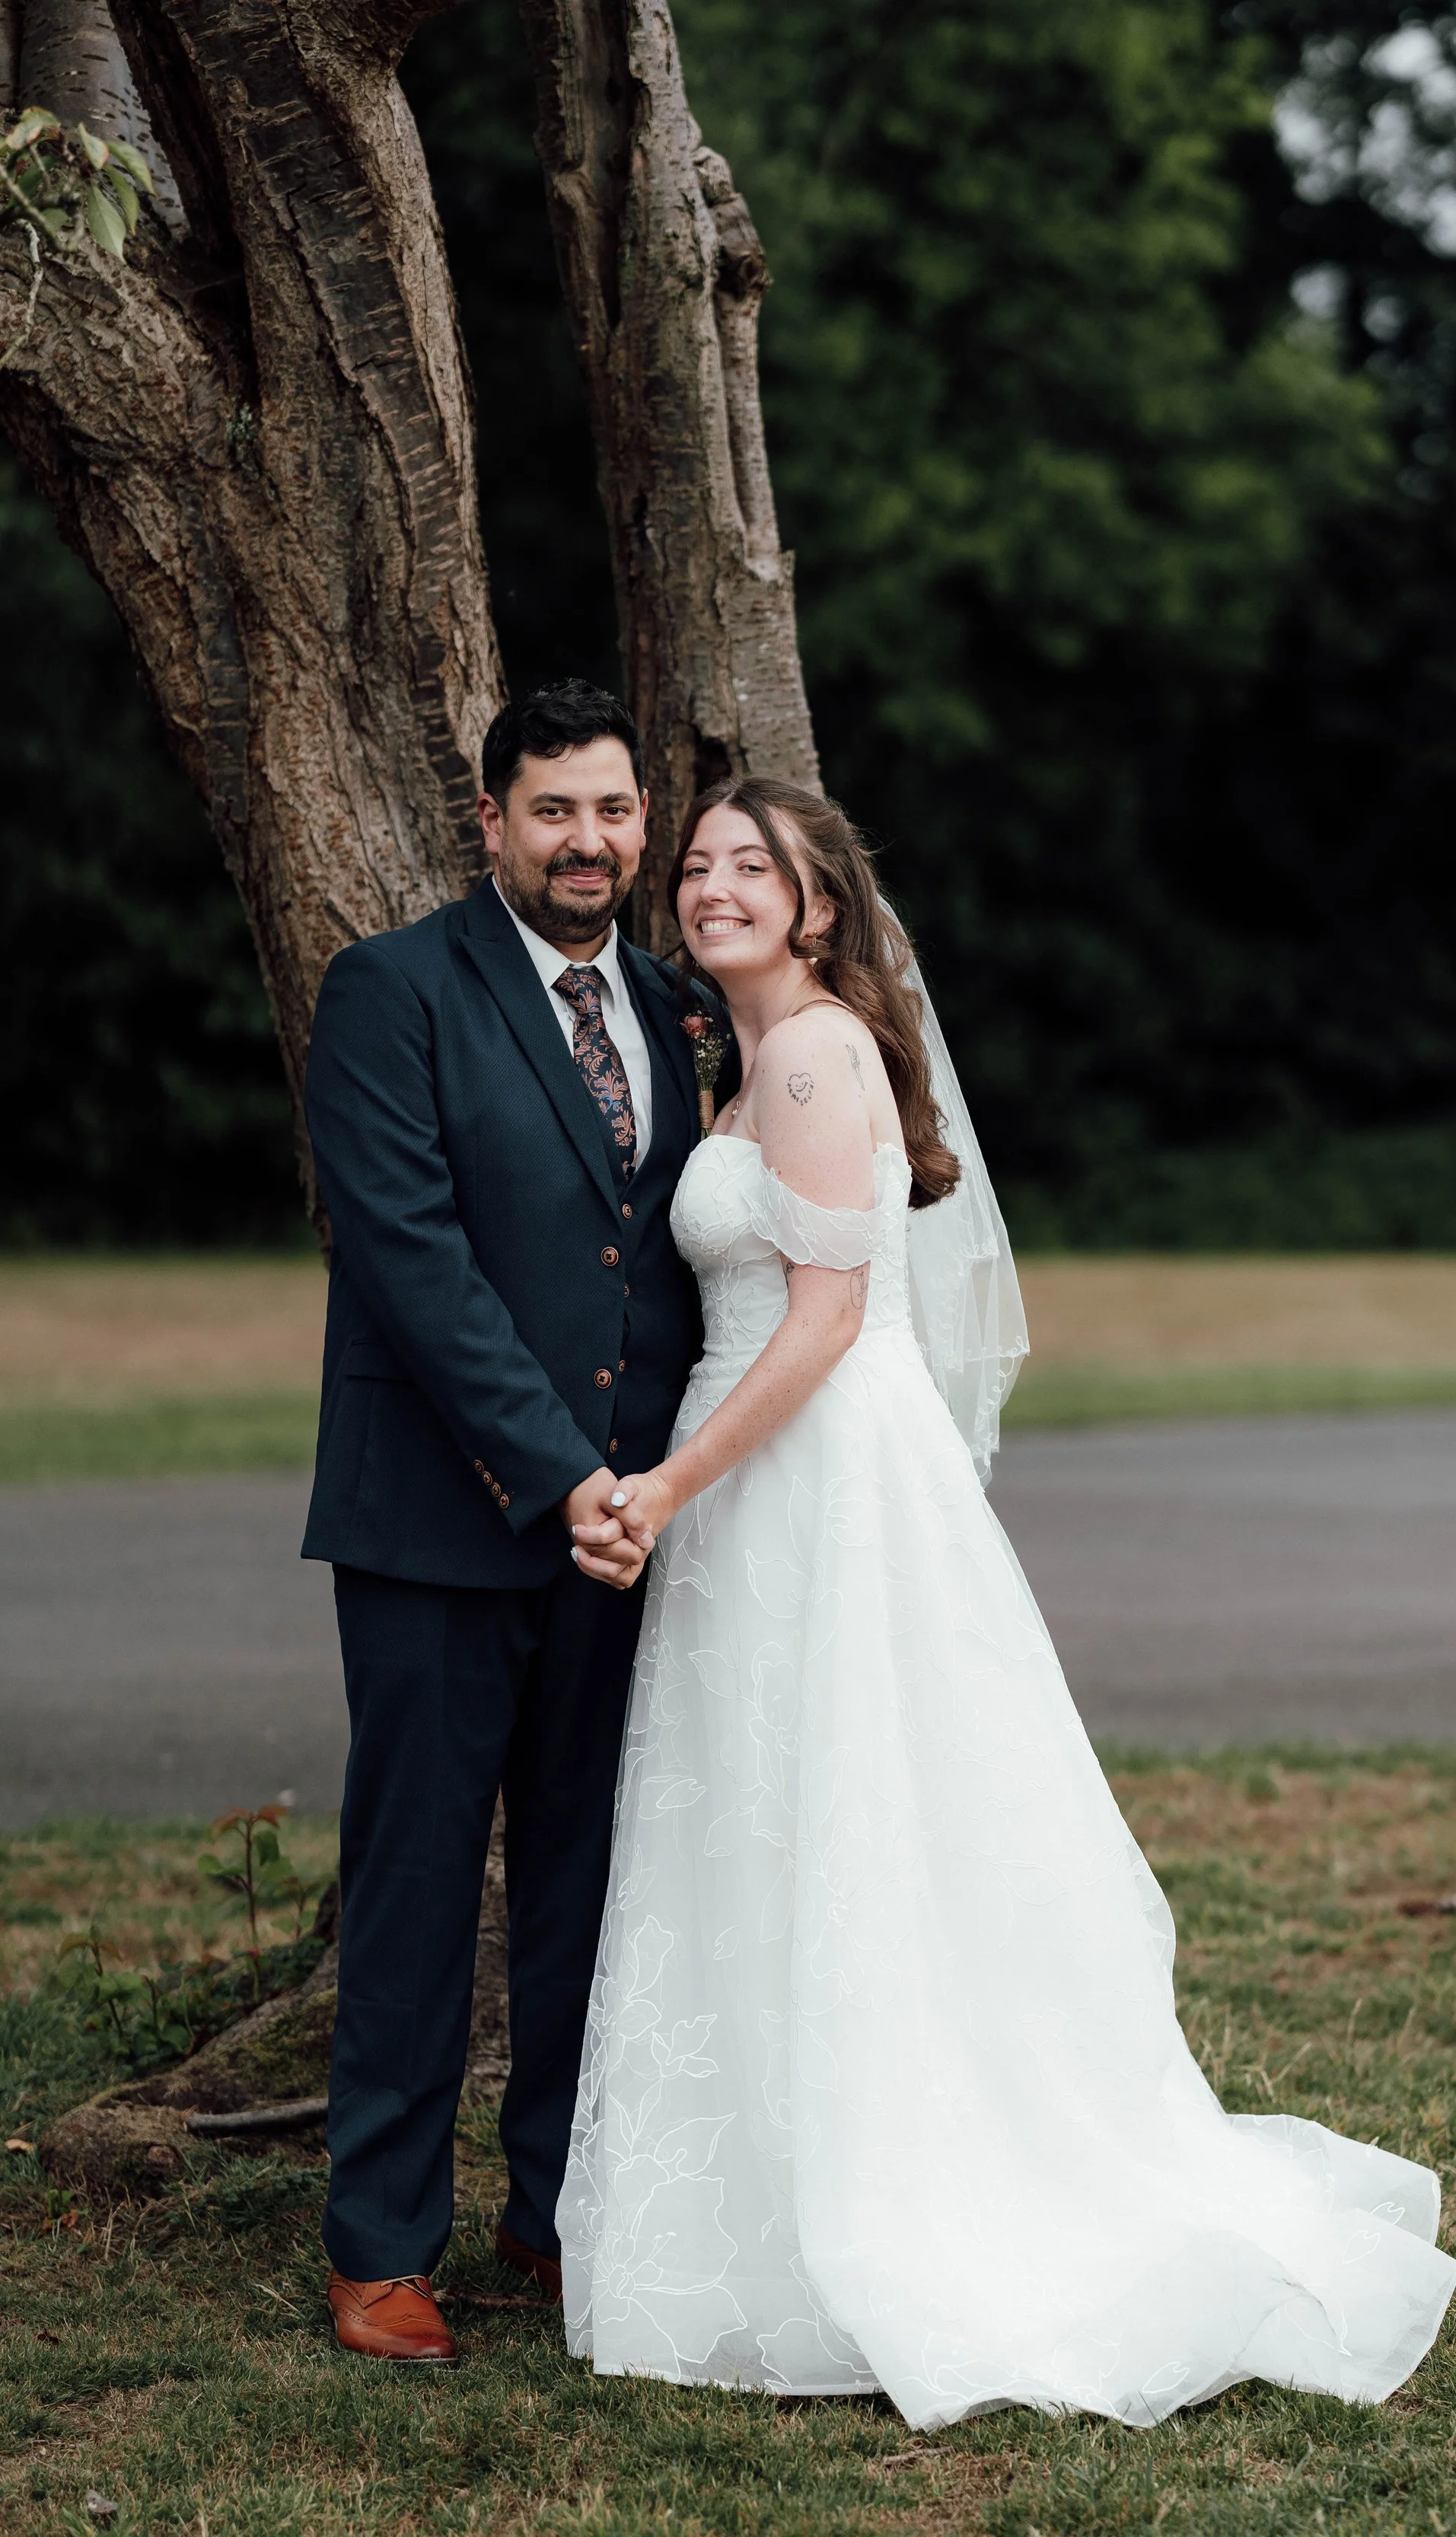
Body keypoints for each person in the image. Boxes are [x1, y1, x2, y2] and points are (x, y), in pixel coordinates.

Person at [556, 776, 1456, 2427]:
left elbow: (824, 1321)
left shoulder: (818, 1051)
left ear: (815, 905)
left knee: (842, 1817)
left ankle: (882, 2205)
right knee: (765, 1819)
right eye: (695, 865)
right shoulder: (741, 1062)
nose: (712, 886)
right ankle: (751, 2205)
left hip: (815, 1482)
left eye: (750, 866)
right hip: (757, 1480)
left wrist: (673, 1487)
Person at [300, 679, 729, 2363]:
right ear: (490, 821)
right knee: (414, 1879)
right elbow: (407, 1259)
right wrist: (564, 1477)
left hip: (632, 1530)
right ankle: (379, 2249)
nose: (587, 840)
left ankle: (557, 2214)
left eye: (613, 810)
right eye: (553, 808)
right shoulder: (393, 989)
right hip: (442, 1522)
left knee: (586, 1880)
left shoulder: (679, 1007)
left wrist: (650, 1488)